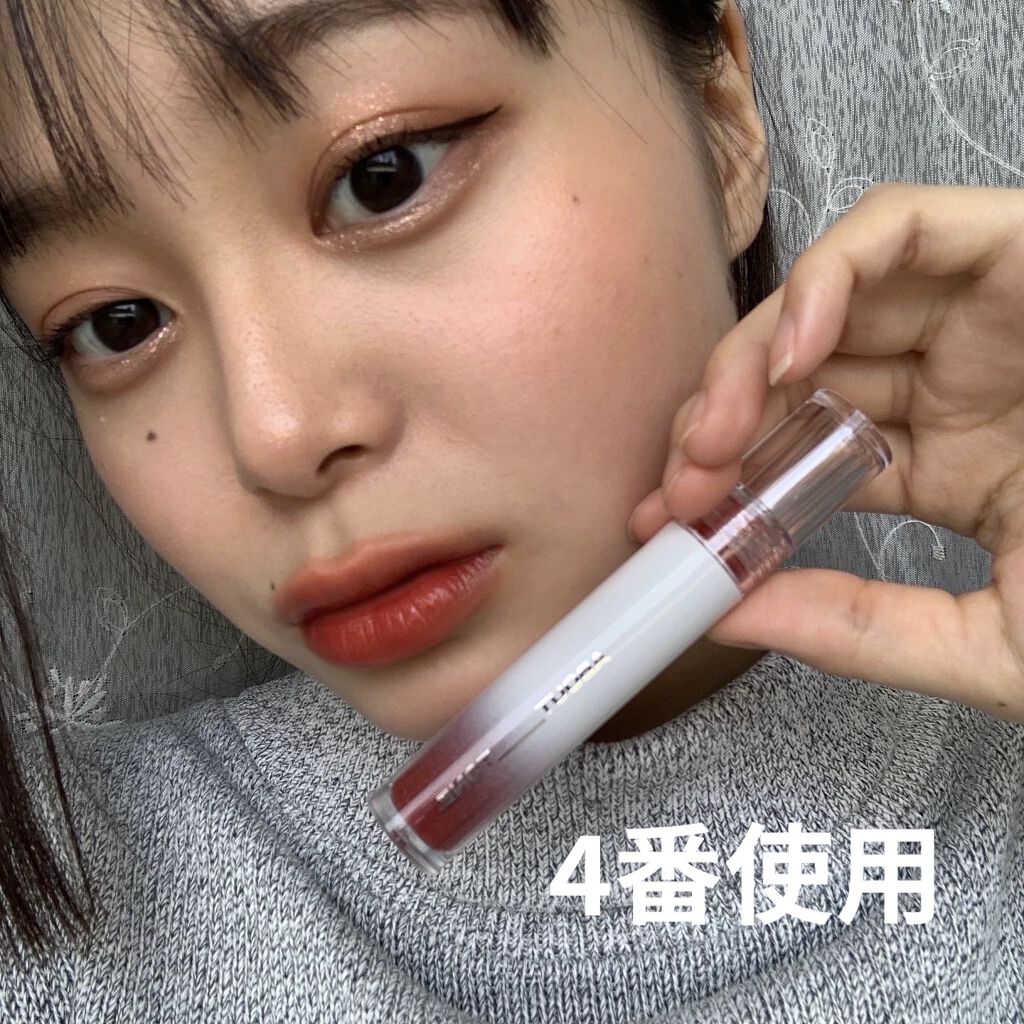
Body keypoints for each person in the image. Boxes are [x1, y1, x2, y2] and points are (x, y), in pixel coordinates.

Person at [0, 0, 1021, 1019]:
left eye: (384, 173)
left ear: (721, 125)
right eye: (115, 323)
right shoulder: (68, 911)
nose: (275, 434)